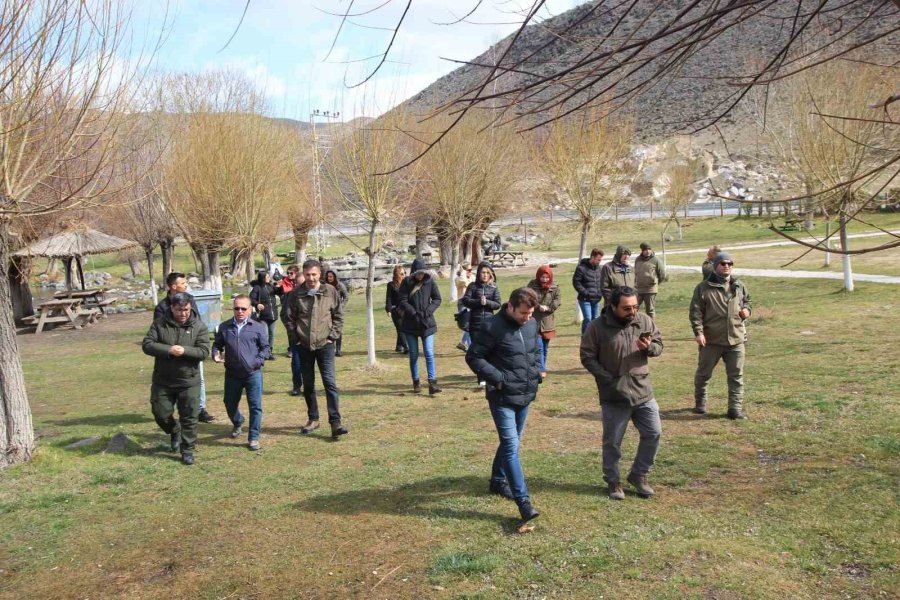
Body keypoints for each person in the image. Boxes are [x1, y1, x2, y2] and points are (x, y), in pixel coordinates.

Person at [465, 287, 542, 525]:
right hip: (502, 397)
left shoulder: (531, 324)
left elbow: (534, 350)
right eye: (523, 313)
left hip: (525, 394)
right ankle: (523, 501)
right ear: (510, 307)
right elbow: (474, 356)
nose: (527, 317)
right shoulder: (491, 326)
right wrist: (499, 379)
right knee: (511, 445)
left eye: (530, 313)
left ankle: (498, 480)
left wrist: (537, 370)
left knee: (513, 441)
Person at [580, 286, 663, 500]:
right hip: (614, 395)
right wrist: (608, 379)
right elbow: (587, 356)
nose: (632, 311)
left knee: (653, 433)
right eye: (627, 308)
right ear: (613, 306)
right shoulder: (597, 327)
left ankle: (639, 474)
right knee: (613, 442)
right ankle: (613, 481)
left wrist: (649, 348)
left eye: (635, 306)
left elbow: (659, 345)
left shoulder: (644, 321)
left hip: (643, 390)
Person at [142, 292, 210, 465]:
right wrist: (169, 350)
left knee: (190, 417)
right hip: (163, 380)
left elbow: (204, 351)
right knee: (160, 413)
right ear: (172, 307)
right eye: (179, 310)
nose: (183, 313)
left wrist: (185, 351)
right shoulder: (159, 324)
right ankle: (174, 430)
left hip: (189, 381)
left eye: (186, 309)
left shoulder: (199, 326)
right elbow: (147, 344)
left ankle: (187, 449)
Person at [286, 259, 348, 438]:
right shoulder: (296, 294)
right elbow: (288, 318)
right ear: (303, 275)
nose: (311, 278)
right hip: (304, 346)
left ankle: (335, 422)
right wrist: (295, 339)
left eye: (314, 274)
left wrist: (332, 337)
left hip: (325, 345)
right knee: (309, 384)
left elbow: (338, 316)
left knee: (330, 383)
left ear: (319, 274)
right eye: (307, 275)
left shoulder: (330, 291)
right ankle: (313, 418)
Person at [689, 252, 752, 419]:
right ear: (716, 265)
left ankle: (734, 409)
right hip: (711, 341)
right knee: (703, 374)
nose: (727, 266)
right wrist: (698, 332)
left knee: (736, 376)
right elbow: (695, 312)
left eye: (730, 263)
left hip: (736, 339)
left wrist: (747, 310)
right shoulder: (703, 288)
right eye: (723, 263)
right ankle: (700, 403)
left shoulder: (739, 285)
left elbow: (747, 301)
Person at [154, 272, 215, 423]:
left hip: (192, 350)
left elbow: (197, 322)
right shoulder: (162, 307)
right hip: (171, 354)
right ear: (174, 286)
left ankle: (200, 409)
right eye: (183, 282)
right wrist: (171, 348)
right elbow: (159, 332)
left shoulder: (190, 299)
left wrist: (194, 347)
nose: (186, 284)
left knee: (199, 379)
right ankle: (170, 411)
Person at [212, 294, 269, 450]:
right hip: (232, 374)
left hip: (253, 374)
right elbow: (217, 345)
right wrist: (215, 353)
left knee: (255, 406)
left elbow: (266, 349)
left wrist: (256, 362)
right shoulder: (224, 327)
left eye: (243, 308)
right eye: (236, 308)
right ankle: (238, 421)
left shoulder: (258, 327)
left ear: (250, 309)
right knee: (229, 403)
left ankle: (253, 437)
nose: (240, 311)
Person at [399, 258, 443, 395]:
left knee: (429, 353)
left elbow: (437, 299)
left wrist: (428, 311)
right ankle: (416, 381)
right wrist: (413, 312)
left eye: (422, 273)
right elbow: (402, 300)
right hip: (410, 324)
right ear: (413, 273)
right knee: (413, 354)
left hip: (427, 323)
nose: (420, 276)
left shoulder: (430, 282)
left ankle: (432, 383)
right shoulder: (406, 283)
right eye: (418, 273)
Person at [462, 261, 501, 386]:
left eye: (487, 273)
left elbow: (498, 304)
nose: (485, 275)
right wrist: (478, 302)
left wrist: (488, 303)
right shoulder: (472, 286)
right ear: (478, 274)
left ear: (491, 275)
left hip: (490, 324)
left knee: (490, 350)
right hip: (475, 323)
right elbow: (466, 301)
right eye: (482, 272)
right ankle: (481, 377)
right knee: (477, 352)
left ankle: (489, 375)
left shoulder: (494, 288)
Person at [527, 265, 561, 378]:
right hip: (534, 320)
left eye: (547, 277)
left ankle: (542, 366)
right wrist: (538, 306)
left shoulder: (555, 287)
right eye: (542, 277)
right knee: (539, 346)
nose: (544, 279)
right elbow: (528, 298)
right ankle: (541, 369)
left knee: (545, 347)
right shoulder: (532, 285)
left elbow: (557, 300)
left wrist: (549, 308)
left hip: (548, 321)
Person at [275, 265, 304, 395]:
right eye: (300, 284)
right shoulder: (290, 295)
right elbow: (285, 315)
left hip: (313, 335)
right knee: (296, 361)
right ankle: (297, 386)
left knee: (310, 363)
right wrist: (293, 332)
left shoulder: (314, 294)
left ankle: (309, 386)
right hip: (296, 336)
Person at [572, 248, 604, 334]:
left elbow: (602, 282)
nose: (599, 261)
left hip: (596, 299)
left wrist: (600, 293)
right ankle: (585, 338)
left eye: (600, 260)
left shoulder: (600, 269)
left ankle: (594, 339)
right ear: (592, 257)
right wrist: (586, 293)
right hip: (585, 299)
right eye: (598, 259)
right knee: (588, 319)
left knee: (595, 319)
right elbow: (576, 282)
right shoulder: (581, 268)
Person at [249, 270, 277, 360]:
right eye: (267, 277)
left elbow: (279, 292)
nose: (269, 278)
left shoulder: (271, 286)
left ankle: (269, 353)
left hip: (273, 315)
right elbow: (251, 299)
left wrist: (281, 287)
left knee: (272, 334)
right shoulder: (257, 288)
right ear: (262, 278)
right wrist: (257, 304)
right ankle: (264, 352)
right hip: (263, 316)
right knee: (265, 335)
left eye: (269, 277)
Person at [634, 242, 666, 319]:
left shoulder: (656, 260)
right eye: (645, 249)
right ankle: (632, 324)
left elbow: (662, 274)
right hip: (639, 289)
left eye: (649, 249)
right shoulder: (637, 259)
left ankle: (651, 328)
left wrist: (655, 283)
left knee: (650, 310)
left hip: (650, 290)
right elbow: (635, 272)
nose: (647, 251)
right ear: (642, 251)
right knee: (634, 308)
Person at [384, 264, 409, 354]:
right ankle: (406, 347)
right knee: (401, 329)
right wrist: (388, 310)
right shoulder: (391, 285)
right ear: (397, 274)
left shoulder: (407, 283)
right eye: (402, 274)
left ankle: (399, 346)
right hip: (396, 310)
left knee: (404, 327)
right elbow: (389, 298)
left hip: (405, 309)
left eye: (405, 273)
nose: (404, 275)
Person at [324, 269, 348, 357]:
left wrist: (341, 306)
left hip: (337, 311)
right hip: (327, 310)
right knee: (328, 329)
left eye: (331, 276)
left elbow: (345, 297)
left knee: (338, 329)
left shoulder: (340, 286)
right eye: (328, 276)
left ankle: (338, 350)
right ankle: (330, 348)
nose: (329, 278)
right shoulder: (324, 286)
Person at [454, 264, 475, 351]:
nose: (470, 272)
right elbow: (463, 282)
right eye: (468, 270)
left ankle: (463, 343)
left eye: (471, 270)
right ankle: (470, 347)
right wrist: (462, 273)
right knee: (467, 325)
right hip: (462, 302)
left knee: (470, 325)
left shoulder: (472, 277)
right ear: (464, 270)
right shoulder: (458, 278)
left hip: (472, 302)